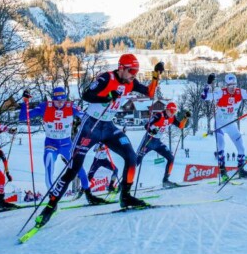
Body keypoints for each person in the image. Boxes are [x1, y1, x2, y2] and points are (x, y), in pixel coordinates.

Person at [33, 54, 163, 229]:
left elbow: (150, 93)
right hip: (91, 125)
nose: (134, 74)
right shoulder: (106, 77)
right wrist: (108, 95)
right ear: (121, 68)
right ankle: (50, 206)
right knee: (74, 167)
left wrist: (156, 76)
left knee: (131, 157)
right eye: (131, 71)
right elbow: (87, 95)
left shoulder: (130, 83)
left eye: (136, 71)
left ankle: (125, 196)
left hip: (108, 126)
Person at [20, 87, 99, 204]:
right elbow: (23, 117)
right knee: (49, 161)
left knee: (79, 167)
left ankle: (88, 193)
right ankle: (52, 196)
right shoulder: (45, 106)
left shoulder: (70, 106)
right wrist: (25, 102)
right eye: (57, 100)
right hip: (51, 144)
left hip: (67, 144)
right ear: (53, 99)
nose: (60, 103)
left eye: (63, 100)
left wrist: (96, 121)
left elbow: (86, 118)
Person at [201, 73, 247, 178]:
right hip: (220, 125)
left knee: (241, 148)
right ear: (226, 85)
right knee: (221, 146)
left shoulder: (241, 92)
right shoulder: (221, 93)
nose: (233, 88)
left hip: (231, 125)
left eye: (234, 85)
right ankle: (223, 171)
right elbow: (204, 97)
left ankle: (241, 170)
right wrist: (208, 84)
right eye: (230, 86)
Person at [136, 102, 191, 189]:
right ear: (167, 109)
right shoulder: (159, 115)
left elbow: (180, 126)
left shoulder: (172, 118)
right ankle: (124, 184)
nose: (172, 114)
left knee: (171, 158)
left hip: (157, 142)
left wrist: (185, 118)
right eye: (171, 111)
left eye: (174, 112)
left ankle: (165, 180)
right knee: (136, 161)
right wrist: (151, 130)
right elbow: (147, 125)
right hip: (148, 141)